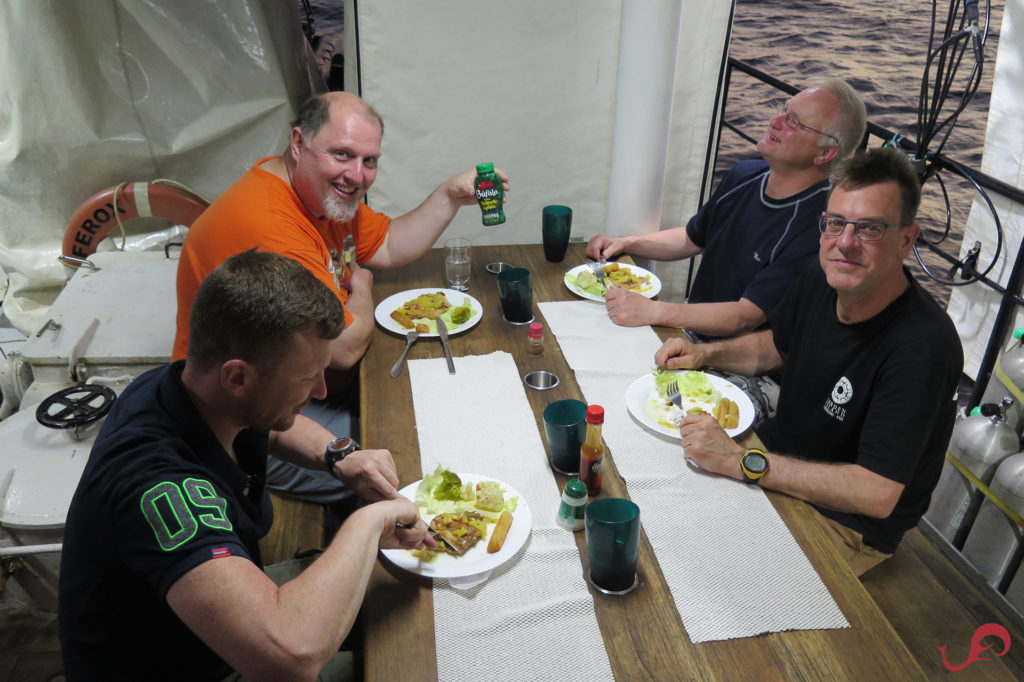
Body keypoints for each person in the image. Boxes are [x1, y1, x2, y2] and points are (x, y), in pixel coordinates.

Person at [59, 250, 435, 681]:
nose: (320, 390)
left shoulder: (188, 388)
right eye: (304, 378)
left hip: (202, 630)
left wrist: (339, 457)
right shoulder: (158, 485)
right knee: (407, 663)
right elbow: (291, 655)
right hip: (186, 665)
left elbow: (273, 427)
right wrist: (368, 521)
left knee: (408, 587)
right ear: (237, 377)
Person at [171, 91, 509, 506]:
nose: (357, 174)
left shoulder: (315, 195)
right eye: (342, 154)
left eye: (369, 161)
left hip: (303, 384)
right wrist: (362, 290)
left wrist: (450, 196)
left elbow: (385, 243)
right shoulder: (272, 225)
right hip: (245, 425)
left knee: (445, 402)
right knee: (405, 469)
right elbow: (344, 347)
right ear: (298, 143)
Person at [653, 147, 963, 576]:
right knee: (656, 504)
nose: (846, 243)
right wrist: (705, 354)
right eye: (835, 224)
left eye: (870, 229)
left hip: (844, 524)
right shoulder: (821, 278)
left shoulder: (923, 348)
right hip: (774, 459)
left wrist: (739, 462)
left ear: (906, 241)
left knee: (701, 570)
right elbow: (774, 348)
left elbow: (876, 493)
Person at [587, 77, 866, 339]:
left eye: (793, 121)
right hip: (689, 329)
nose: (775, 120)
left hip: (737, 364)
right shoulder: (744, 174)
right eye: (783, 109)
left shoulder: (819, 227)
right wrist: (625, 242)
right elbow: (691, 238)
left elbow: (745, 317)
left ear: (825, 153)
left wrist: (655, 311)